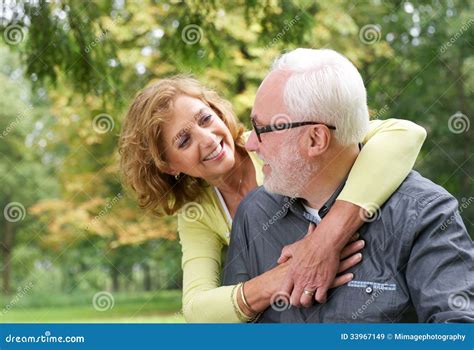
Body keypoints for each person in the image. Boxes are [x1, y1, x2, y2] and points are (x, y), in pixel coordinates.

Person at [119, 73, 426, 322]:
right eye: (184, 140)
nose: (208, 138)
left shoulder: (273, 141)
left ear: (218, 112)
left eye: (204, 119)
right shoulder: (198, 212)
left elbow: (405, 134)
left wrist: (326, 239)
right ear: (169, 165)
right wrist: (281, 278)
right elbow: (197, 310)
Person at [223, 48, 474, 322]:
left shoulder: (424, 214)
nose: (250, 144)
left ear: (316, 139)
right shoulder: (255, 213)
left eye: (261, 130)